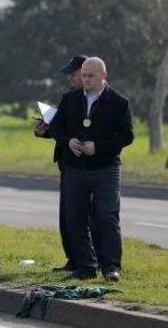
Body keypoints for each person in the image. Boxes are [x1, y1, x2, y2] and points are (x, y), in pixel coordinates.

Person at [50, 57, 132, 282]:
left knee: (106, 216)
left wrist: (98, 147)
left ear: (103, 76)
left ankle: (111, 266)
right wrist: (68, 141)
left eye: (90, 76)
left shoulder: (119, 102)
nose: (85, 80)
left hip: (105, 168)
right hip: (74, 167)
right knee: (75, 218)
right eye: (83, 75)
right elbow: (56, 127)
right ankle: (86, 266)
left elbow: (127, 136)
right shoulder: (70, 99)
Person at [34, 55, 101, 273]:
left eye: (75, 74)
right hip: (67, 163)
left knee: (86, 217)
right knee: (67, 217)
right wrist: (43, 130)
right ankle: (73, 259)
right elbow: (62, 129)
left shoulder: (95, 100)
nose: (71, 78)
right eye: (72, 75)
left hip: (89, 167)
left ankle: (90, 261)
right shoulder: (70, 98)